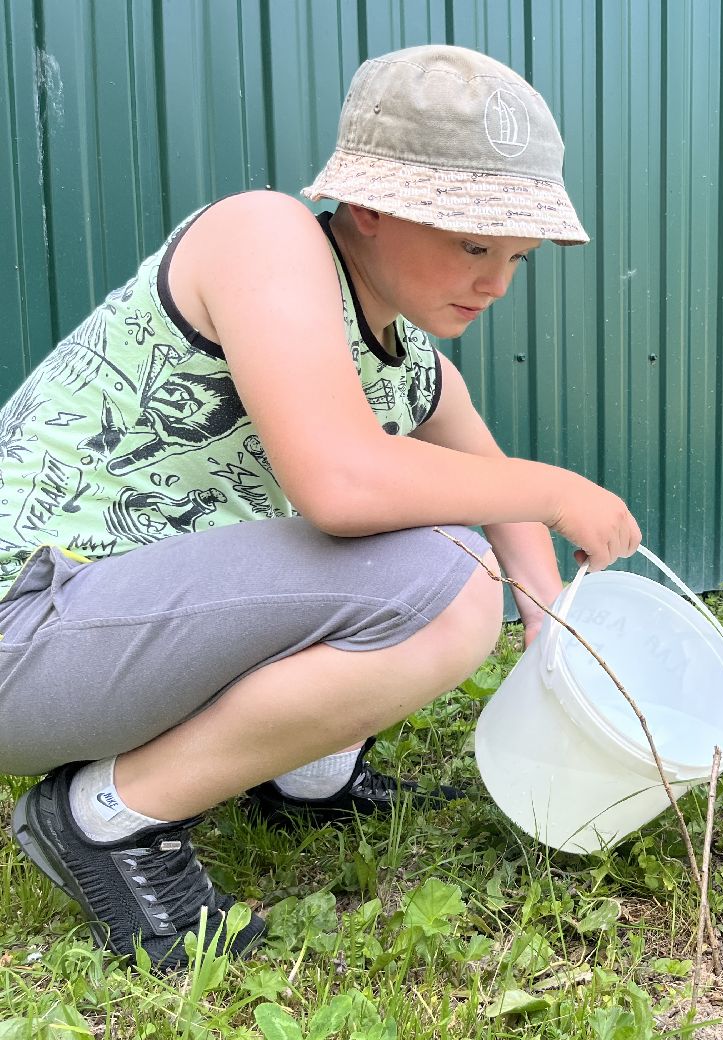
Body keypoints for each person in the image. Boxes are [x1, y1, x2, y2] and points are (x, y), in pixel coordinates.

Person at [0, 45, 640, 970]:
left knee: (444, 543)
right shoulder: (264, 236)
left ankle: (307, 780)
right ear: (373, 205)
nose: (497, 280)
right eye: (473, 243)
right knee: (446, 571)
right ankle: (102, 815)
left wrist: (553, 632)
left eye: (516, 257)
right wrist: (555, 488)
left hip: (98, 635)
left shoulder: (410, 363)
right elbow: (344, 487)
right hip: (25, 627)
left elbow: (491, 489)